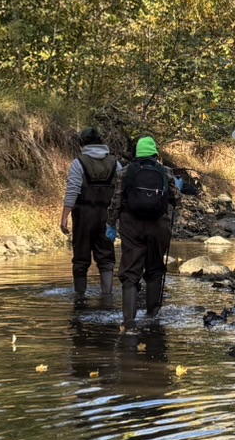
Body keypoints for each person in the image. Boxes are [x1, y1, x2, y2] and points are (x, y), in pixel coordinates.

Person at [109, 136, 193, 332]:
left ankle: (128, 321)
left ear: (136, 153)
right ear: (155, 153)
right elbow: (177, 200)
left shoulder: (125, 172)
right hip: (158, 226)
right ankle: (152, 317)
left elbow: (116, 200)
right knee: (155, 270)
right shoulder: (165, 172)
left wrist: (110, 224)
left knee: (130, 273)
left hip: (131, 226)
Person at [60, 126, 118, 306]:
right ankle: (107, 296)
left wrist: (64, 217)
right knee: (106, 258)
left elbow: (72, 191)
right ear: (101, 141)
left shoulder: (79, 163)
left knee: (81, 258)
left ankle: (80, 298)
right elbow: (120, 191)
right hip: (106, 218)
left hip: (84, 217)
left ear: (82, 144)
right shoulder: (115, 163)